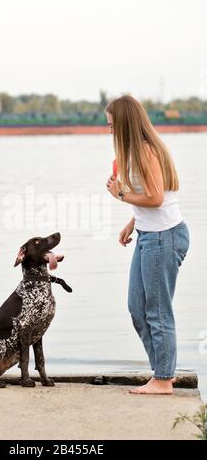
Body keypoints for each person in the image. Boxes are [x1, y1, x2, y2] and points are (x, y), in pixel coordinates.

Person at [105, 95, 190, 394]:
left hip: (164, 237)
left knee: (156, 311)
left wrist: (120, 195)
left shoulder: (146, 151)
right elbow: (154, 198)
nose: (110, 131)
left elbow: (155, 198)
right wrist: (133, 222)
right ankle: (162, 372)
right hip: (148, 234)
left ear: (126, 124)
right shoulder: (133, 152)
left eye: (113, 125)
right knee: (137, 309)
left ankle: (163, 379)